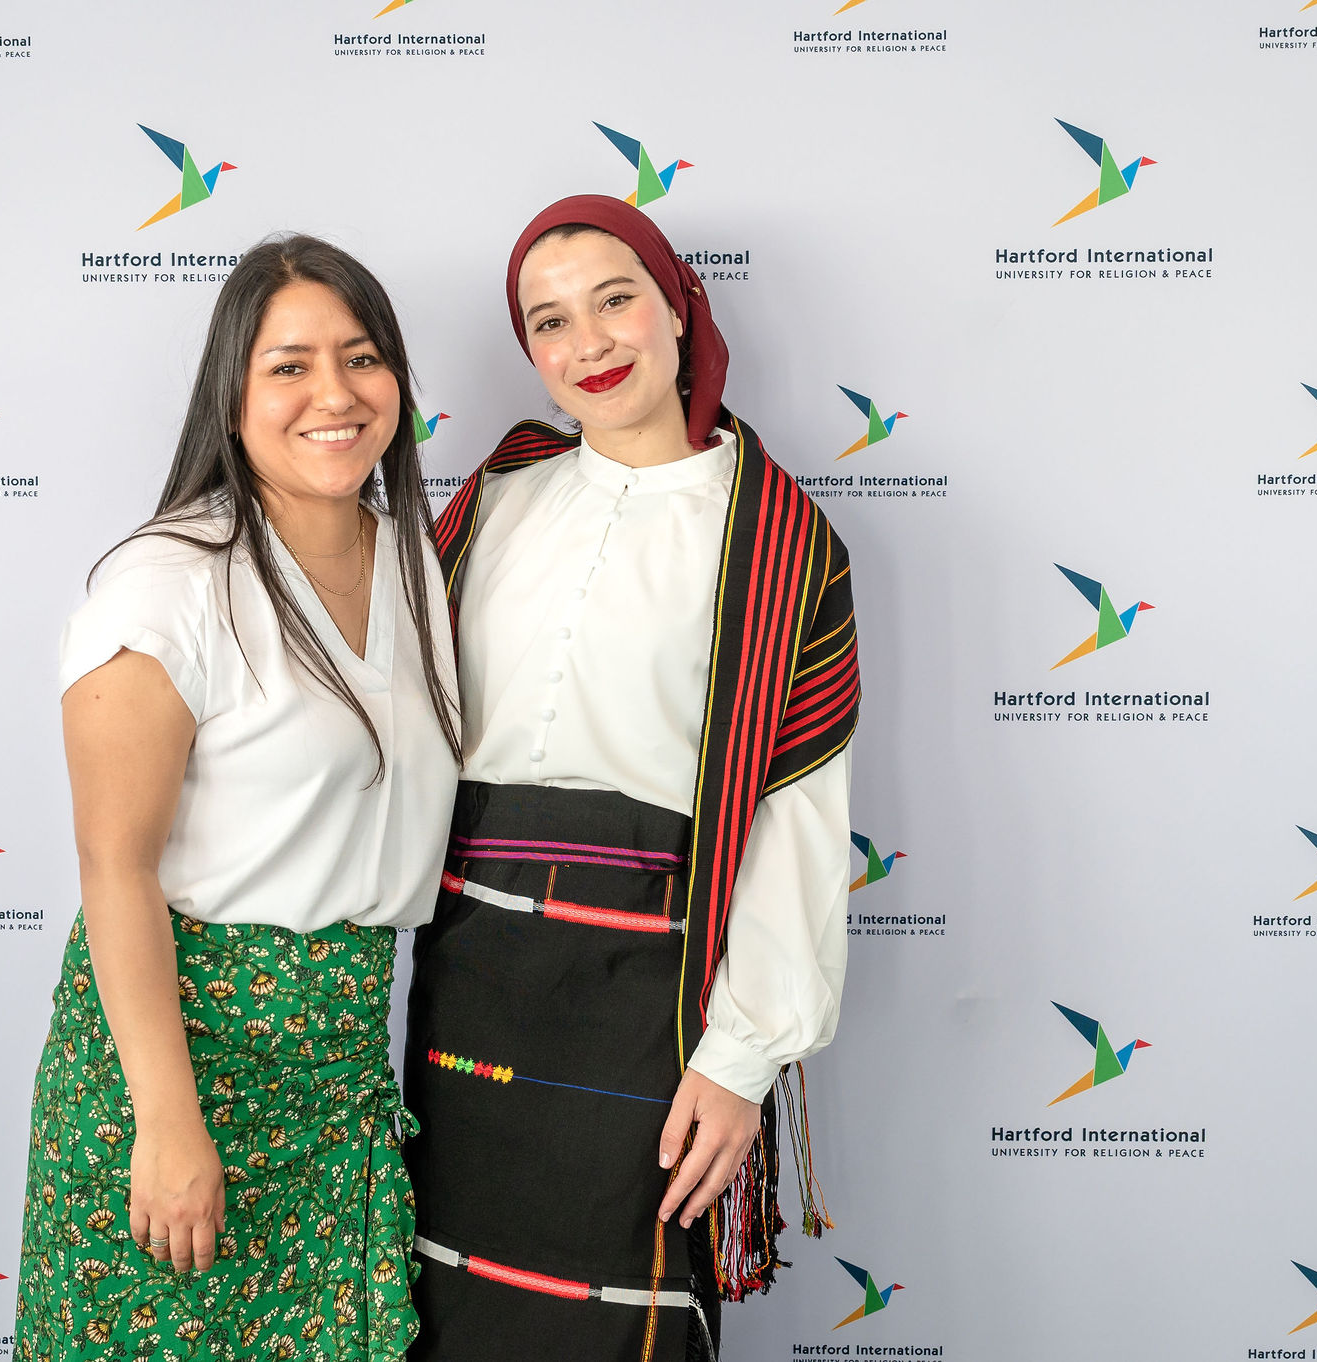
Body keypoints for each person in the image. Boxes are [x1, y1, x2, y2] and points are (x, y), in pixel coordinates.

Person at [403, 196, 860, 1361]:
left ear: (675, 307)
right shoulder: (496, 497)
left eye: (614, 300)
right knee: (443, 1301)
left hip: (649, 997)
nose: (589, 344)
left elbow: (796, 820)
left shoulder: (777, 540)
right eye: (548, 322)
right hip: (470, 971)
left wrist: (739, 1056)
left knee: (618, 1320)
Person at [16, 235, 461, 1361]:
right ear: (231, 395)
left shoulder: (422, 562)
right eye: (290, 366)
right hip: (179, 1063)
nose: (334, 394)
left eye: (361, 359)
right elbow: (115, 866)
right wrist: (166, 1125)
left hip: (339, 1073)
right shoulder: (166, 584)